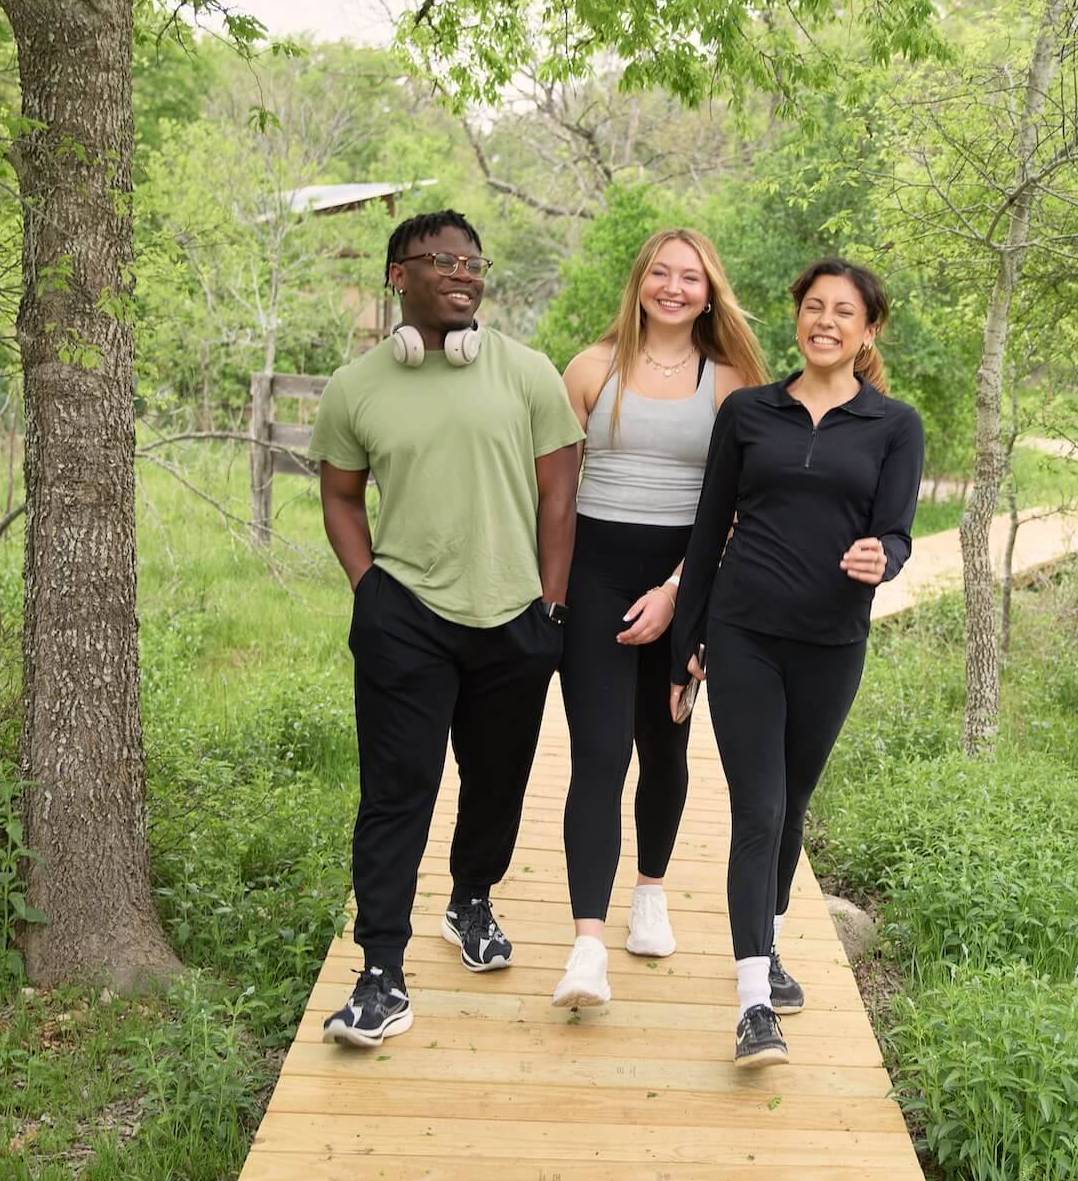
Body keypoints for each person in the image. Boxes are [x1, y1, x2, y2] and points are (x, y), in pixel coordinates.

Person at [311, 209, 585, 1047]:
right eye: (443, 261)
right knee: (397, 792)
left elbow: (560, 496)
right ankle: (380, 971)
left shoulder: (528, 373)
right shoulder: (356, 387)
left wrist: (551, 605)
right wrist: (369, 589)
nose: (463, 274)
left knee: (496, 783)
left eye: (473, 263)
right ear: (399, 276)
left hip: (515, 617)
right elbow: (340, 496)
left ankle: (471, 899)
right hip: (406, 619)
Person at [667, 258, 924, 1067]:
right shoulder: (749, 412)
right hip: (743, 632)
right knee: (759, 808)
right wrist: (686, 646)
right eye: (814, 306)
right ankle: (753, 1003)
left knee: (794, 802)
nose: (826, 321)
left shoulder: (895, 425)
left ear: (868, 330)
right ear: (797, 317)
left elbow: (897, 532)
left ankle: (769, 943)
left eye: (844, 311)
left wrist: (883, 557)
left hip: (832, 643)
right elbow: (708, 529)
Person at [549, 228, 766, 1009]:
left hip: (688, 584)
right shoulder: (589, 369)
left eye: (691, 277)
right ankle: (586, 949)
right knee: (598, 756)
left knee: (664, 747)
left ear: (710, 293)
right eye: (661, 273)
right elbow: (556, 496)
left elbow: (738, 506)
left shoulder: (730, 383)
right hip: (595, 582)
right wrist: (552, 594)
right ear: (639, 280)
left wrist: (678, 591)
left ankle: (649, 892)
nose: (674, 288)